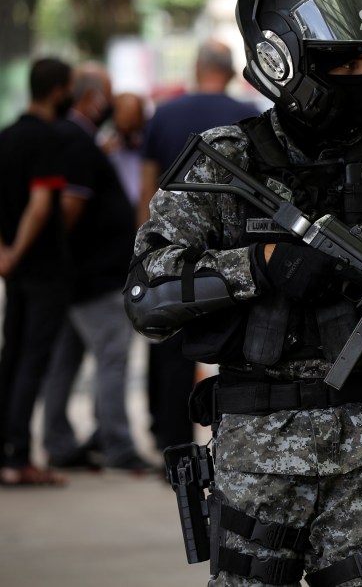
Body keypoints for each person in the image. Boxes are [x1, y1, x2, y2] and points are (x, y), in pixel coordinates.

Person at [125, 0, 362, 586]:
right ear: (283, 63)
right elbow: (147, 295)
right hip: (260, 457)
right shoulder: (226, 162)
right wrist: (261, 266)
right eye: (344, 63)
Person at [139, 39, 259, 453]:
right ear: (228, 72)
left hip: (175, 252)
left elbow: (147, 185)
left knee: (170, 351)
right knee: (243, 352)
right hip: (237, 259)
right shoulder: (248, 116)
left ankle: (171, 444)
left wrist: (147, 246)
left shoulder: (165, 114)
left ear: (196, 66)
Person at [42, 63, 149, 471]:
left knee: (65, 360)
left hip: (81, 275)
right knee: (112, 357)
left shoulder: (77, 140)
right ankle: (117, 444)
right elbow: (69, 208)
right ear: (91, 98)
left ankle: (59, 441)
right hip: (93, 276)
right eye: (105, 93)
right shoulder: (77, 140)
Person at [0, 57, 72, 486]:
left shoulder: (7, 136)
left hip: (16, 270)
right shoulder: (47, 140)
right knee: (32, 360)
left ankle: (5, 450)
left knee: (11, 355)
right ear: (60, 90)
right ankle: (18, 456)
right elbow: (41, 205)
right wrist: (18, 251)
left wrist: (5, 254)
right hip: (43, 267)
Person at [102, 91, 147, 207]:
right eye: (125, 124)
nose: (129, 131)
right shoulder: (104, 141)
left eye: (133, 125)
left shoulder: (148, 143)